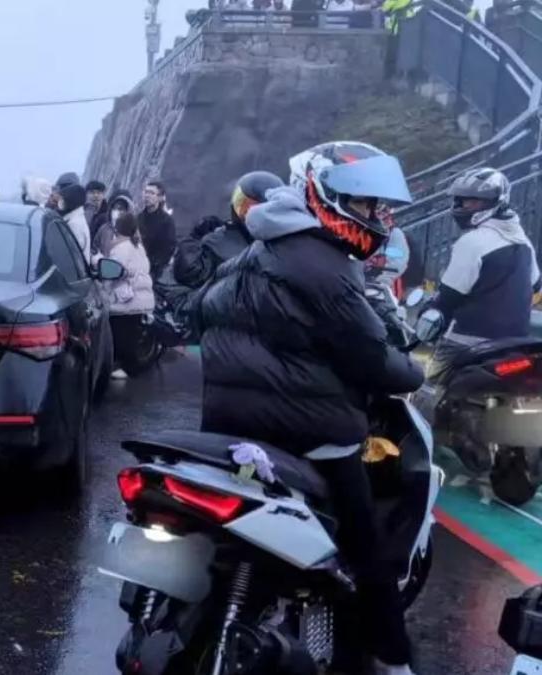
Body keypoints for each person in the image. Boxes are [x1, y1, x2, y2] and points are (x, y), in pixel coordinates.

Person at [190, 141, 421, 675]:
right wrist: (415, 373)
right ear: (326, 197)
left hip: (226, 426)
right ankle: (392, 658)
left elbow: (200, 311)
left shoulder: (260, 247)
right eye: (365, 204)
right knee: (368, 554)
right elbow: (370, 357)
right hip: (307, 431)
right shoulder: (326, 263)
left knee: (223, 552)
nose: (377, 216)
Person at [426, 167, 542, 379]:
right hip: (514, 344)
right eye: (462, 200)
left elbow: (450, 296)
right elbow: (535, 284)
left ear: (495, 202)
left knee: (430, 389)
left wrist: (430, 312)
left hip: (468, 341)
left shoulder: (471, 242)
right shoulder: (523, 241)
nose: (464, 206)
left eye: (474, 201)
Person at [173, 171, 283, 289]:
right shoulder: (284, 245)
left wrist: (195, 237)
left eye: (250, 209)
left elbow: (187, 273)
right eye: (240, 202)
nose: (247, 213)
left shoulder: (220, 244)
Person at [100, 212, 155, 379]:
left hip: (125, 301)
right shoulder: (138, 245)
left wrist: (103, 290)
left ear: (117, 228)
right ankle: (129, 366)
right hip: (141, 300)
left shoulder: (120, 248)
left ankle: (128, 369)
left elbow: (112, 271)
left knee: (121, 337)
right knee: (131, 336)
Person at [140, 181, 177, 279]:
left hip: (155, 272)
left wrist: (154, 265)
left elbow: (169, 248)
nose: (147, 196)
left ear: (160, 198)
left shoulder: (167, 221)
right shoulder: (137, 219)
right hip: (136, 267)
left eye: (151, 193)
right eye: (146, 192)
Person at [56, 180, 92, 261]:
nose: (60, 202)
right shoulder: (74, 219)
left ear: (71, 201)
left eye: (63, 199)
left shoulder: (75, 224)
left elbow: (69, 255)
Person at [93, 189, 136, 256]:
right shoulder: (104, 229)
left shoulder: (134, 233)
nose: (116, 212)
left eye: (121, 209)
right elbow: (94, 248)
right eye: (114, 208)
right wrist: (96, 257)